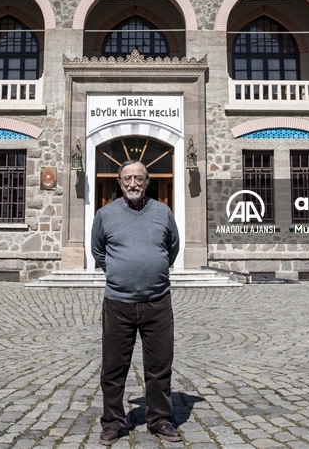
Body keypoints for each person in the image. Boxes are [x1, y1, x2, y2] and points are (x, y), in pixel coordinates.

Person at [91, 159, 182, 445]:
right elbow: (98, 251)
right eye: (128, 178)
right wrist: (121, 273)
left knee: (159, 366)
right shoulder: (105, 214)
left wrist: (152, 267)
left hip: (157, 302)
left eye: (139, 178)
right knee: (113, 367)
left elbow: (172, 248)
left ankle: (160, 419)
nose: (133, 183)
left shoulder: (163, 212)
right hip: (118, 303)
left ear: (147, 182)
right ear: (119, 182)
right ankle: (112, 422)